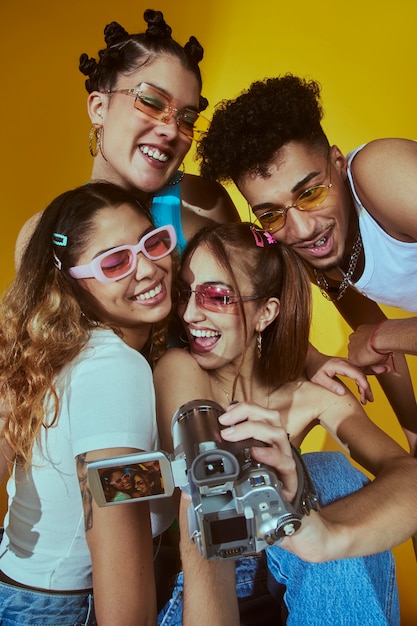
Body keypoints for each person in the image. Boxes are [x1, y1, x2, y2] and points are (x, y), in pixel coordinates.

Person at [153, 222, 417, 625]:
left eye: (216, 296)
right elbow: (203, 499)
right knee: (325, 472)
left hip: (309, 575)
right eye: (186, 292)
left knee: (330, 477)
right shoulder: (181, 369)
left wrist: (325, 535)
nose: (190, 313)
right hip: (210, 588)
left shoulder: (313, 395)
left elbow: (407, 475)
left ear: (266, 313)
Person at [196, 74, 417, 455]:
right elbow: (372, 333)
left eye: (311, 193)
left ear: (337, 161)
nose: (301, 228)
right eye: (270, 214)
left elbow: (376, 338)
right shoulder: (312, 248)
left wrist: (383, 336)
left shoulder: (382, 173)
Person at [0, 182, 177, 625]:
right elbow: (115, 514)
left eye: (152, 243)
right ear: (71, 283)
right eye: (115, 262)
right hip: (58, 609)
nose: (148, 269)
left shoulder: (69, 353)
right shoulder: (116, 368)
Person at [14, 8, 239, 267]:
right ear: (99, 108)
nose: (172, 130)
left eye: (187, 119)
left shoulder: (204, 204)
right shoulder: (44, 233)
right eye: (151, 102)